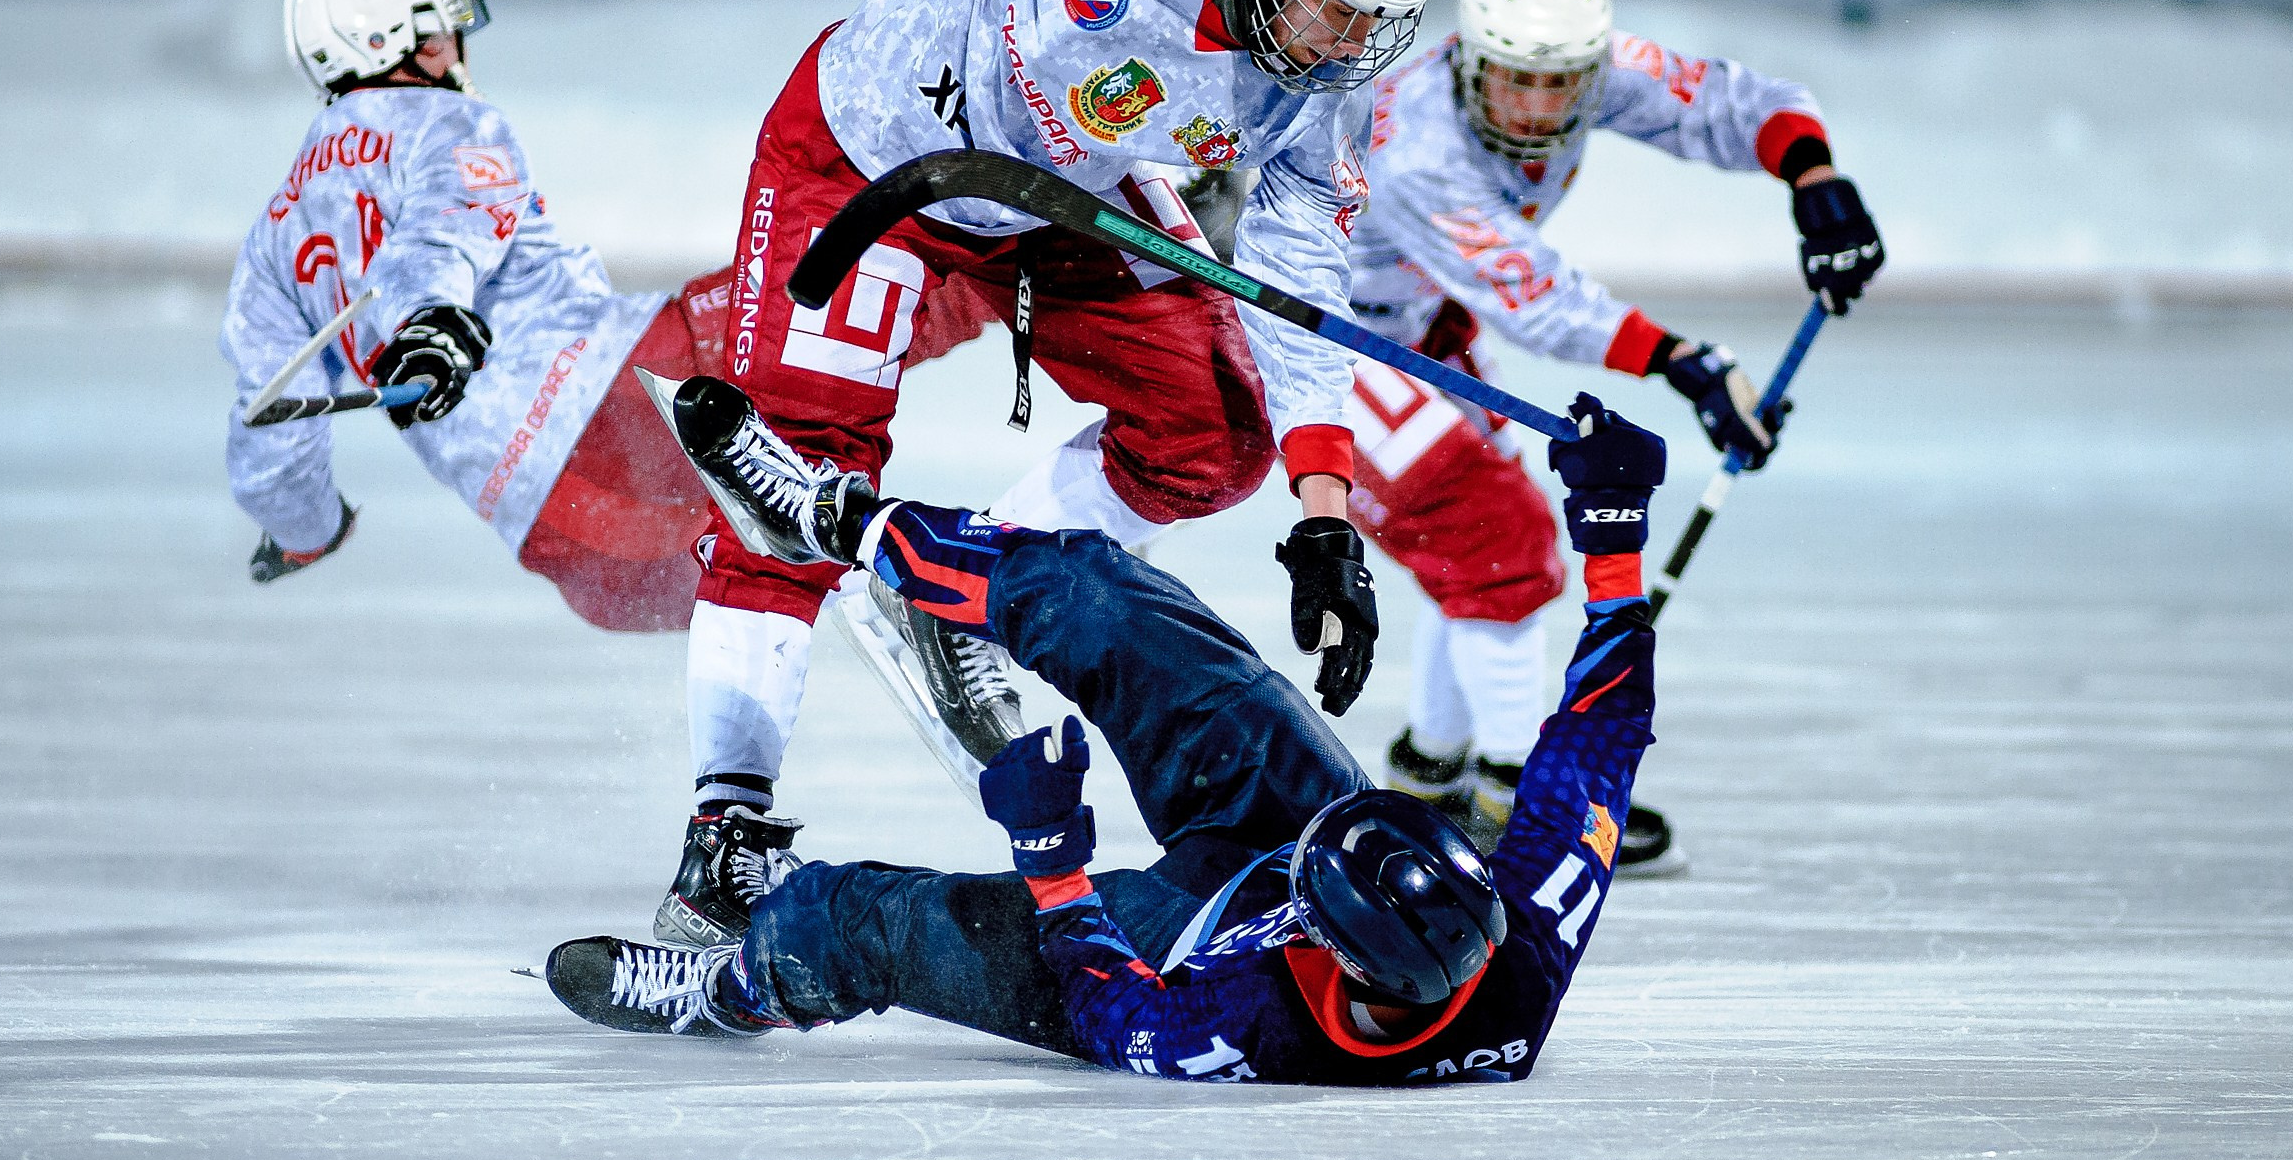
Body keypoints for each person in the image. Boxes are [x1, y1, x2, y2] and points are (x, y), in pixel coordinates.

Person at [646, 0, 1444, 947]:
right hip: (872, 155)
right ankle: (723, 840)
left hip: (1064, 205)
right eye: (1337, 12)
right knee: (791, 478)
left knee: (1218, 432)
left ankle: (959, 589)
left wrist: (1324, 512)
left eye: (1379, 25)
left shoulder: (1322, 89)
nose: (1352, 49)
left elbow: (1300, 290)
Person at [543, 376, 1668, 1087]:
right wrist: (1614, 530)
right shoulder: (1526, 933)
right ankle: (835, 523)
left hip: (1159, 941)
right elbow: (1596, 746)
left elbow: (1098, 996)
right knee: (1104, 600)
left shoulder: (1235, 1030)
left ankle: (730, 992)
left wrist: (1049, 860)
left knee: (861, 924)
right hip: (1298, 836)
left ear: (1321, 948)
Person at [222, 0, 807, 929]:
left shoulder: (276, 232)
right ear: (393, 32)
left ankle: (723, 860)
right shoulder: (448, 123)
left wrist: (305, 530)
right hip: (627, 408)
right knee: (837, 285)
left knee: (760, 596)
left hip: (568, 545)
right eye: (440, 18)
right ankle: (1054, 248)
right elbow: (444, 234)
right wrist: (430, 322)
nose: (456, 37)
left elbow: (266, 433)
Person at [1344, 0, 1885, 864]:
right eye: (1515, 80)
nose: (1539, 108)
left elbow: (1731, 101)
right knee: (1496, 540)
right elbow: (1535, 298)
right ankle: (1528, 808)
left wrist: (1816, 179)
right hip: (1311, 335)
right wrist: (1689, 363)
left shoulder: (1575, 66)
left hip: (1417, 323)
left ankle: (1432, 771)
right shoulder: (1419, 147)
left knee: (1469, 554)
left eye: (1563, 85)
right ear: (1470, 60)